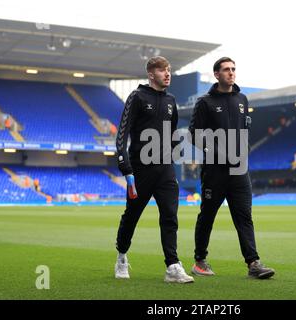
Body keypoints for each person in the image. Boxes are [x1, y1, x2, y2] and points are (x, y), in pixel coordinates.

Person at [188, 57, 275, 279]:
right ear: (216, 74)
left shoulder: (242, 99)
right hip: (215, 171)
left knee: (244, 216)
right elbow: (194, 135)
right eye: (226, 69)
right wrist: (218, 152)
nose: (231, 73)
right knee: (207, 215)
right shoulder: (204, 102)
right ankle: (199, 260)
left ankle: (254, 263)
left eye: (233, 69)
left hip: (239, 170)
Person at [114, 56, 194, 284]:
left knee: (170, 216)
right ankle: (121, 256)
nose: (167, 74)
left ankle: (172, 266)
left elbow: (172, 133)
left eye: (169, 70)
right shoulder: (137, 97)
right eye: (162, 71)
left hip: (165, 170)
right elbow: (122, 135)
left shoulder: (171, 100)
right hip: (140, 171)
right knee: (132, 216)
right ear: (151, 74)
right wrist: (126, 168)